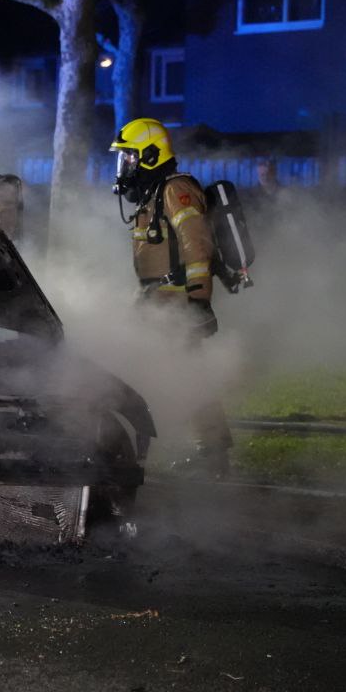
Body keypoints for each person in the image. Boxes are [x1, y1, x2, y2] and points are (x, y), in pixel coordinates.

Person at [109, 117, 232, 478]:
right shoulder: (153, 192)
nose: (125, 167)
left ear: (149, 155)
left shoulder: (175, 189)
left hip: (176, 301)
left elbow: (197, 244)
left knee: (187, 375)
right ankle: (146, 451)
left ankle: (212, 454)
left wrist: (198, 301)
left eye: (129, 158)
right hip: (154, 298)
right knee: (134, 372)